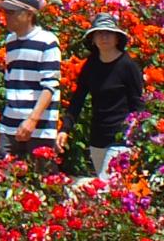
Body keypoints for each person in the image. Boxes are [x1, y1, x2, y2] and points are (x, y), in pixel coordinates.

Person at [60, 13, 145, 181]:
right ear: (92, 39)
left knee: (106, 185)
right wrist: (65, 129)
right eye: (99, 33)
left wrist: (139, 138)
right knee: (106, 192)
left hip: (121, 138)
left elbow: (138, 105)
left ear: (117, 38)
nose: (104, 37)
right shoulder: (91, 65)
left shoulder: (128, 66)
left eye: (108, 33)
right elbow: (78, 99)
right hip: (98, 137)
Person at [0, 0, 61, 160]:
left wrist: (32, 120)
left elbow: (50, 85)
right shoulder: (10, 41)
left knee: (42, 179)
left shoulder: (47, 41)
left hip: (39, 125)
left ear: (29, 14)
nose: (6, 16)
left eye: (11, 12)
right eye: (5, 12)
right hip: (11, 122)